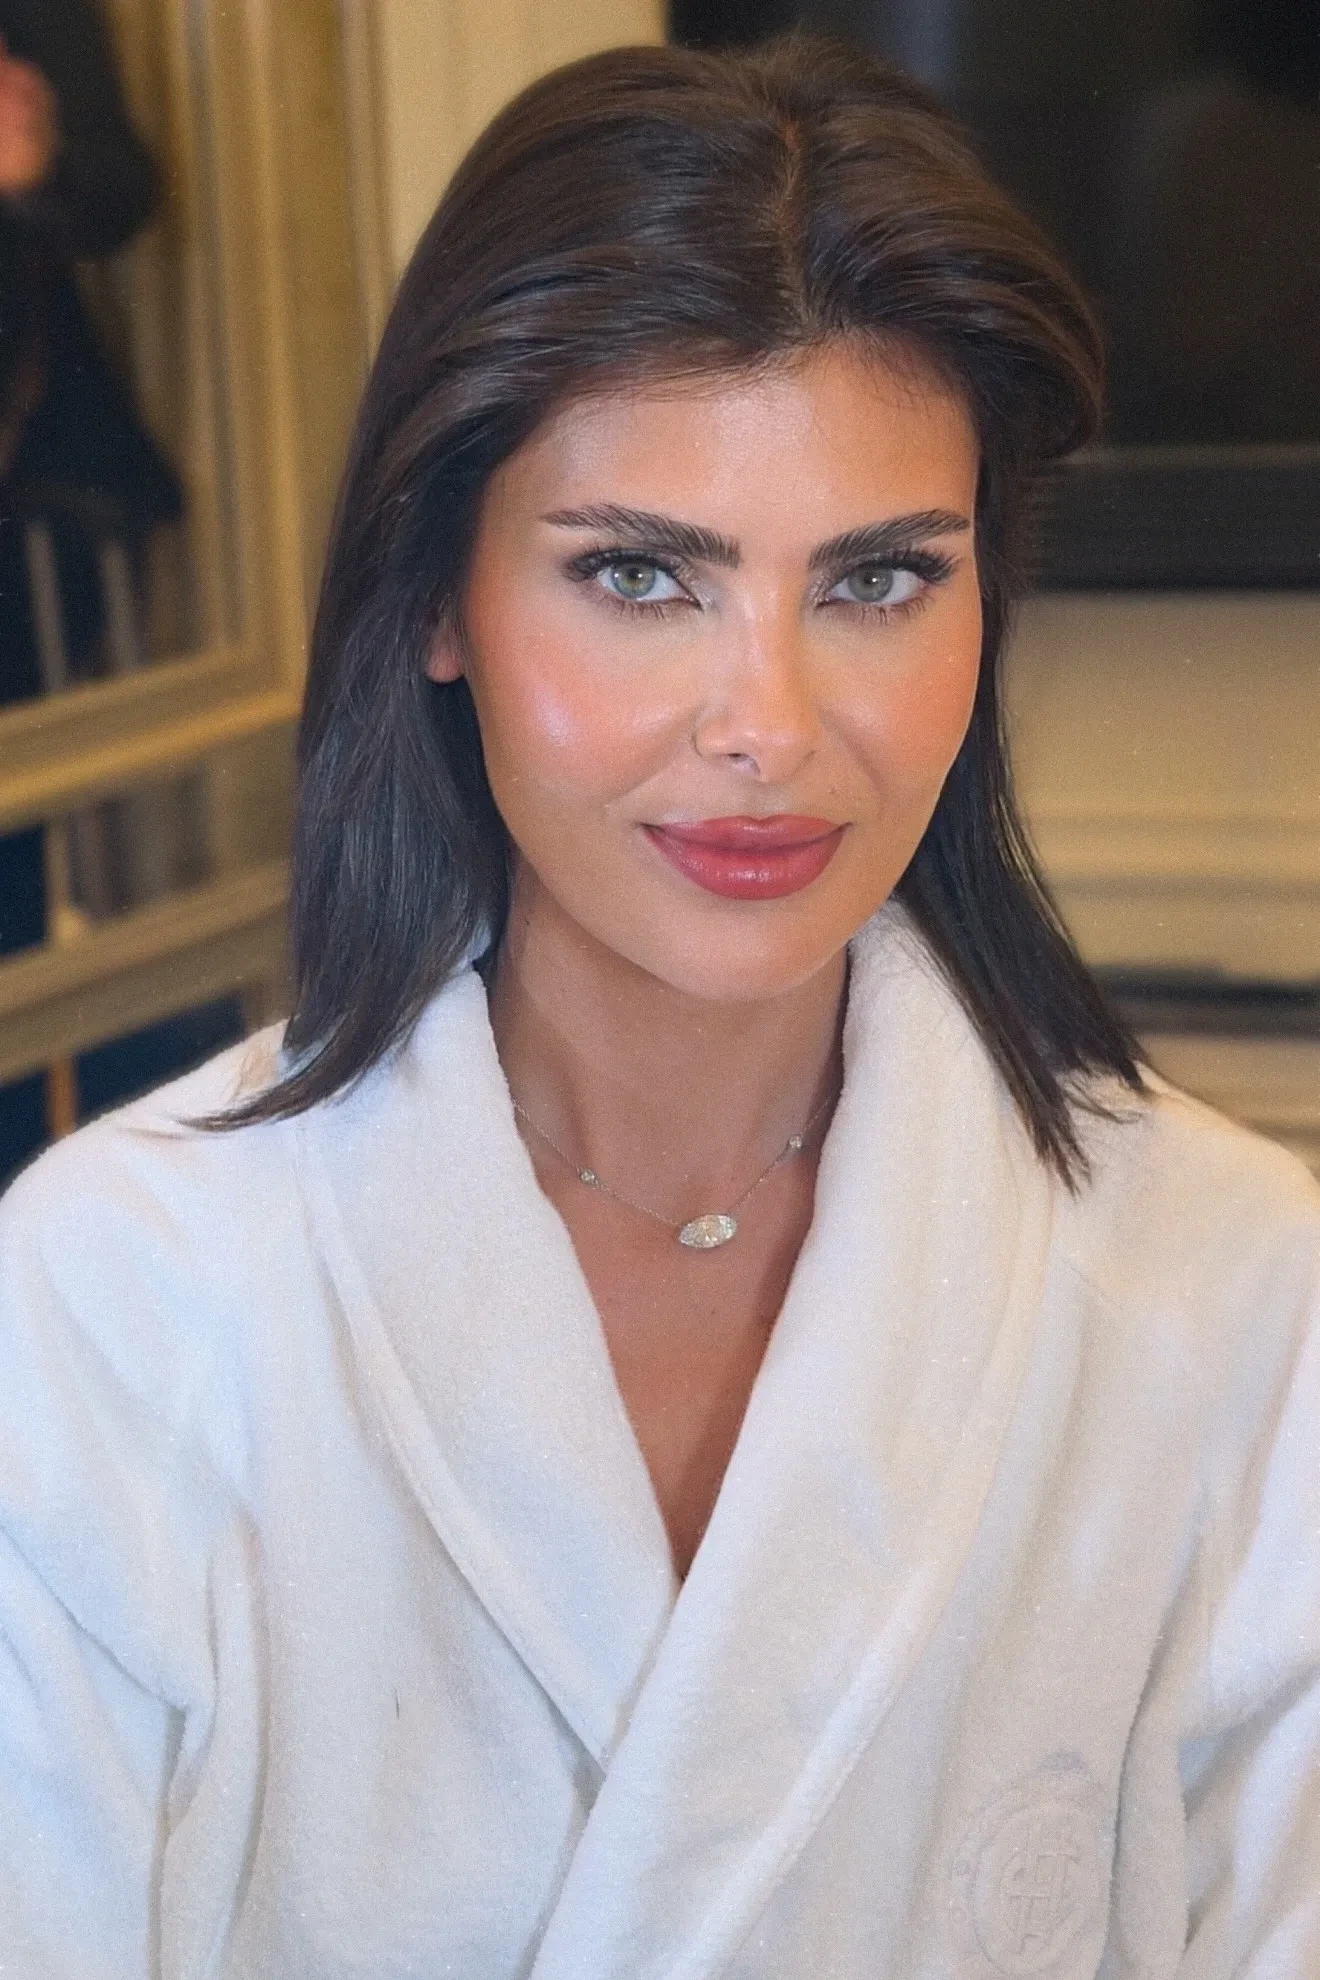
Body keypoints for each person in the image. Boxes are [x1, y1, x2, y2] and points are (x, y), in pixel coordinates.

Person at [1, 35, 1317, 1980]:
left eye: (879, 580)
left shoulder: (1233, 1294)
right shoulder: (115, 1306)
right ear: (437, 600)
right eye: (638, 575)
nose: (767, 726)